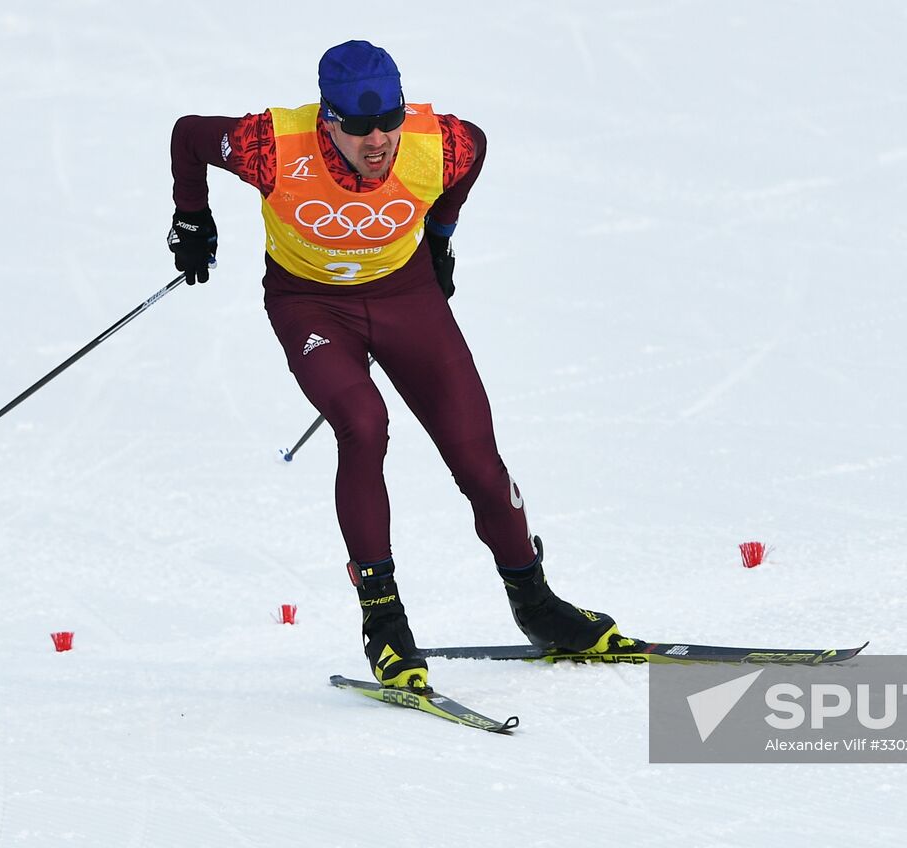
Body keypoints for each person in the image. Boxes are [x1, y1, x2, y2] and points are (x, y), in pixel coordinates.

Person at [166, 40, 630, 691]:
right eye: (358, 125)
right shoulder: (270, 145)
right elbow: (189, 138)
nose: (377, 138)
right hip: (309, 304)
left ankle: (537, 602)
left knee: (478, 461)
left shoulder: (440, 143)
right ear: (328, 118)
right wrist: (192, 217)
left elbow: (475, 154)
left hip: (402, 295)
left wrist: (440, 238)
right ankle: (384, 621)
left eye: (388, 118)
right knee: (364, 420)